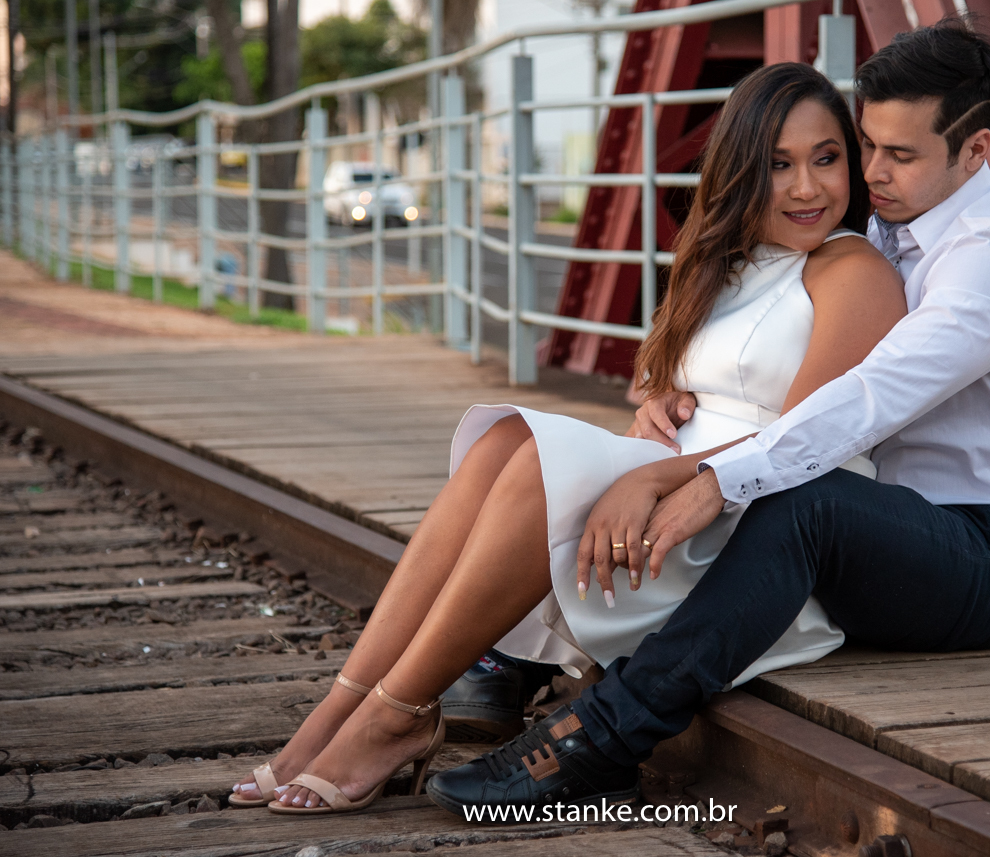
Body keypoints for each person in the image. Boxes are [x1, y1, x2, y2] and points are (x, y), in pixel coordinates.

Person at [427, 18, 990, 817]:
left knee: (798, 500)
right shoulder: (889, 220)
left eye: (901, 155)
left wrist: (709, 476)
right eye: (866, 145)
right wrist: (668, 393)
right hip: (891, 525)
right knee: (644, 470)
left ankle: (602, 736)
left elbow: (866, 397)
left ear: (975, 151)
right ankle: (512, 657)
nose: (872, 171)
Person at [226, 61, 907, 814]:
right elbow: (684, 382)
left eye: (825, 158)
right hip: (682, 491)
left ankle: (394, 717)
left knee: (535, 468)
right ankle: (344, 707)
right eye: (778, 165)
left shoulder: (853, 269)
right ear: (741, 169)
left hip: (756, 536)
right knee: (503, 441)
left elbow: (803, 445)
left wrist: (652, 475)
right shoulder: (730, 259)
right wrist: (659, 405)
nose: (807, 187)